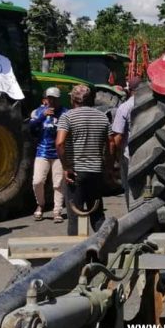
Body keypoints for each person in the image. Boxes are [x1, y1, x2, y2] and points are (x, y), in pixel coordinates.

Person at [56, 84, 111, 236]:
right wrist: (107, 167)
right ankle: (105, 248)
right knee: (98, 215)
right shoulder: (102, 117)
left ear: (73, 99)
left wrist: (66, 167)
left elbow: (60, 143)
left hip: (76, 173)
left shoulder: (67, 117)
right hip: (96, 172)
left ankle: (77, 254)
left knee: (75, 215)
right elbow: (111, 144)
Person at [29, 87, 68, 223]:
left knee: (58, 183)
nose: (51, 101)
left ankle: (57, 210)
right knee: (37, 181)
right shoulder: (38, 111)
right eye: (49, 98)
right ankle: (40, 204)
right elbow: (30, 127)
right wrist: (42, 116)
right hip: (42, 151)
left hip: (58, 153)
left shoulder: (65, 113)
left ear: (58, 99)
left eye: (54, 99)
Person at [111, 78, 141, 208]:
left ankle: (133, 214)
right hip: (149, 153)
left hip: (129, 154)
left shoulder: (125, 107)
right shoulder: (155, 104)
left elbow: (117, 137)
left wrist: (115, 157)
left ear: (129, 90)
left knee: (129, 186)